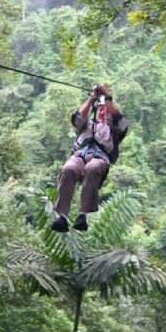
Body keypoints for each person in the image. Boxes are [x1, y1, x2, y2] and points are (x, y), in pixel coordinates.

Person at [51, 83, 129, 232]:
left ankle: (82, 215)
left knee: (92, 168)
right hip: (79, 156)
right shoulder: (86, 125)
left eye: (105, 109)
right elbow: (78, 117)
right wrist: (93, 97)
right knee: (68, 168)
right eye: (100, 109)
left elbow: (118, 120)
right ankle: (62, 216)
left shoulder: (114, 130)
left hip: (99, 158)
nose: (102, 111)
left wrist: (107, 96)